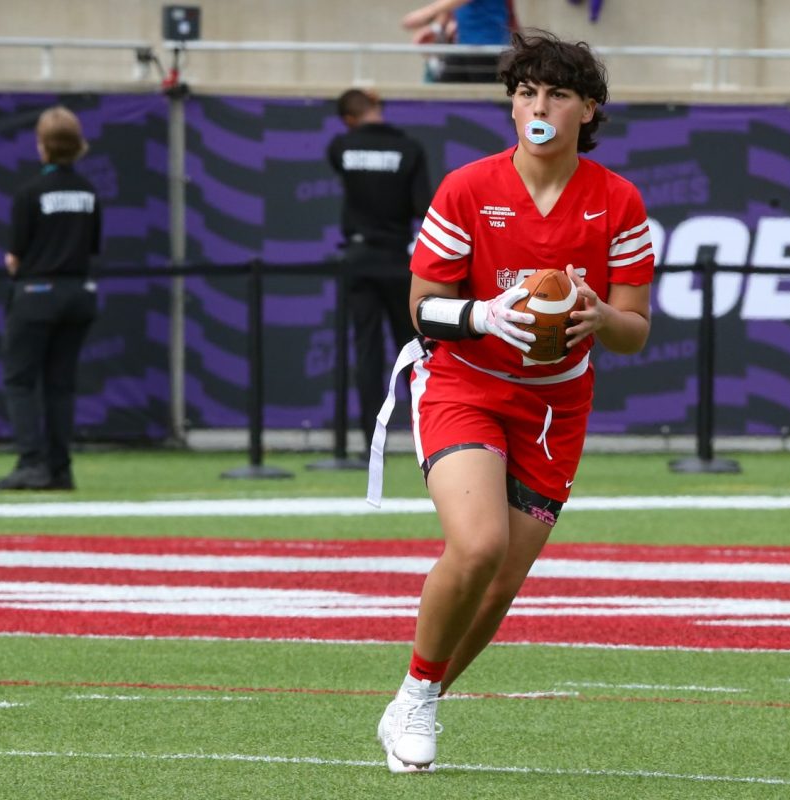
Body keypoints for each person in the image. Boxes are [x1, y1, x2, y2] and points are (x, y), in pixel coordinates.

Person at [375, 29, 655, 773]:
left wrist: (600, 320)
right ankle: (418, 695)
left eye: (557, 93)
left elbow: (635, 330)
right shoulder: (467, 187)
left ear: (587, 109)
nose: (538, 105)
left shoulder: (617, 201)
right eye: (526, 92)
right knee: (480, 545)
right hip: (465, 383)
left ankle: (419, 695)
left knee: (500, 583)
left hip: (555, 406)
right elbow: (421, 306)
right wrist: (484, 315)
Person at [0, 106, 102, 491]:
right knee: (61, 384)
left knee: (20, 381)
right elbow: (92, 247)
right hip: (79, 294)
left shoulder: (30, 192)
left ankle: (31, 462)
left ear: (42, 146)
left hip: (37, 293)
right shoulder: (88, 193)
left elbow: (15, 256)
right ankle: (60, 468)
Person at [326, 88, 432, 460]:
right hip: (399, 262)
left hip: (358, 259)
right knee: (416, 351)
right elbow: (424, 206)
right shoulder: (411, 149)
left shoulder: (341, 147)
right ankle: (431, 439)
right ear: (377, 109)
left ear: (348, 119)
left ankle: (371, 444)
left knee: (367, 352)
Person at [402, 0, 518, 83]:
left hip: (489, 49)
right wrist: (436, 27)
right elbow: (449, 8)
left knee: (491, 102)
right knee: (442, 94)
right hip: (463, 48)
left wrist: (425, 13)